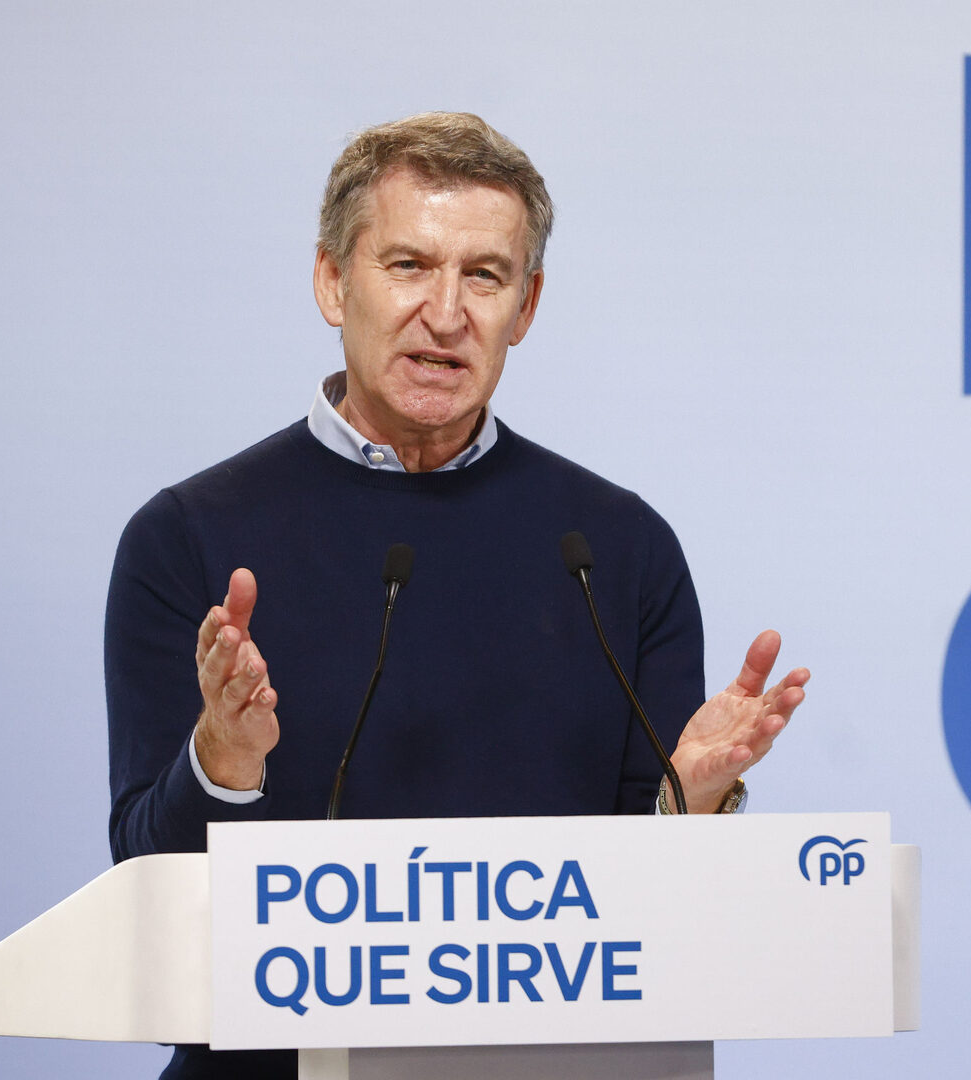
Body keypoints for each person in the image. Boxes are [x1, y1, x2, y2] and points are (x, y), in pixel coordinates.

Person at [104, 112, 808, 1080]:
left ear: (526, 306)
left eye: (484, 275)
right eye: (408, 265)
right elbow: (148, 897)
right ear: (331, 281)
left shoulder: (614, 549)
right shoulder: (189, 538)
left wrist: (687, 805)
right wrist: (222, 761)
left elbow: (652, 932)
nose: (446, 314)